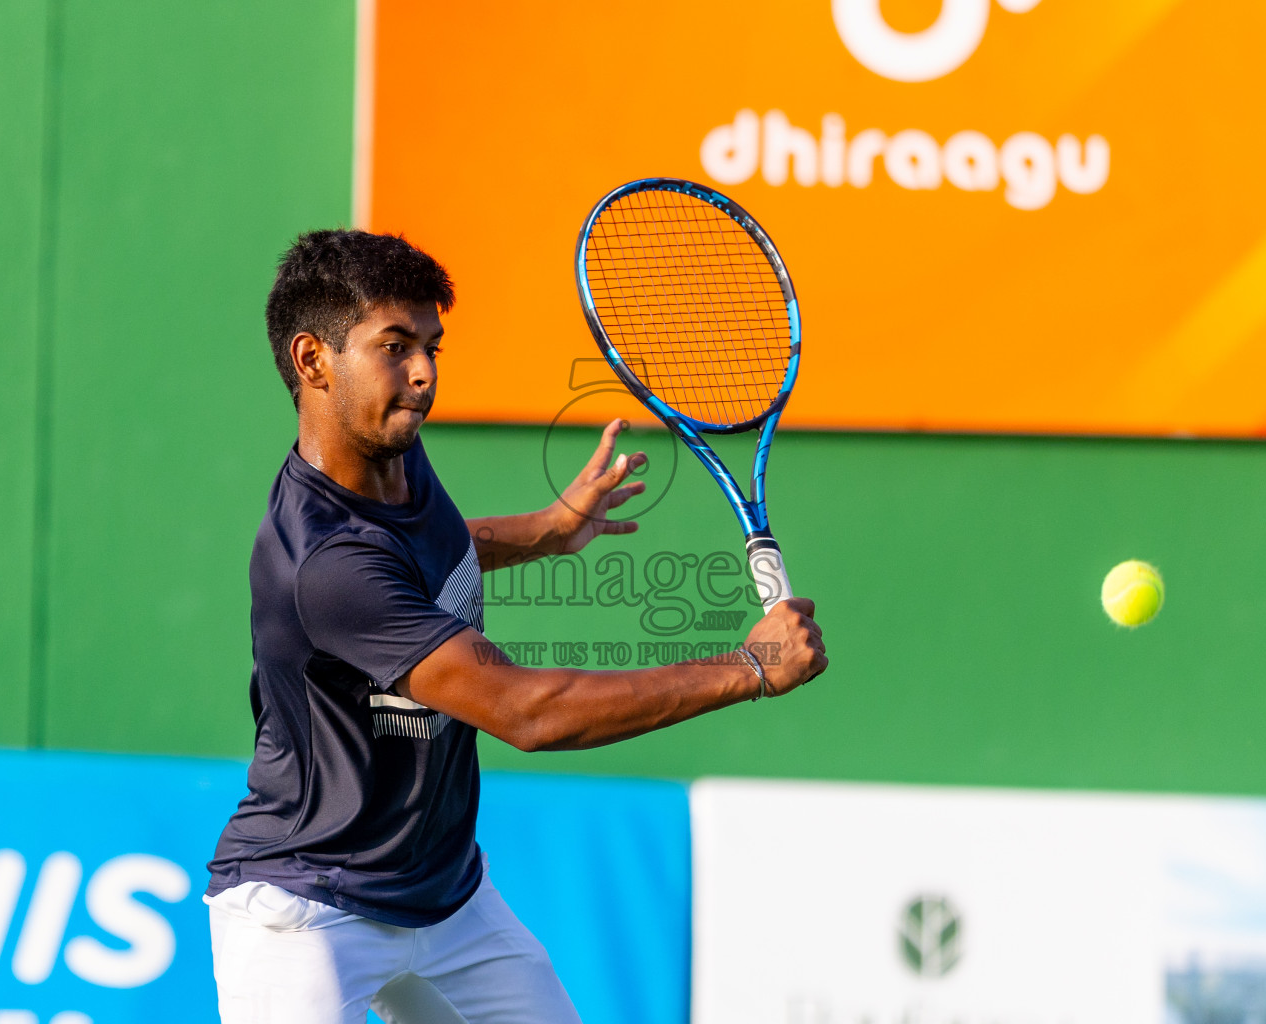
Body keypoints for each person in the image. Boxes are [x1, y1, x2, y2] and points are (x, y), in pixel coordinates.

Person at [204, 229, 828, 1023]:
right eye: (394, 347)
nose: (424, 373)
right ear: (312, 360)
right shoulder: (326, 564)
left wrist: (547, 528)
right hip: (308, 909)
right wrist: (750, 667)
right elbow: (528, 711)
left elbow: (423, 551)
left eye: (431, 345)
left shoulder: (395, 461)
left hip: (446, 895)